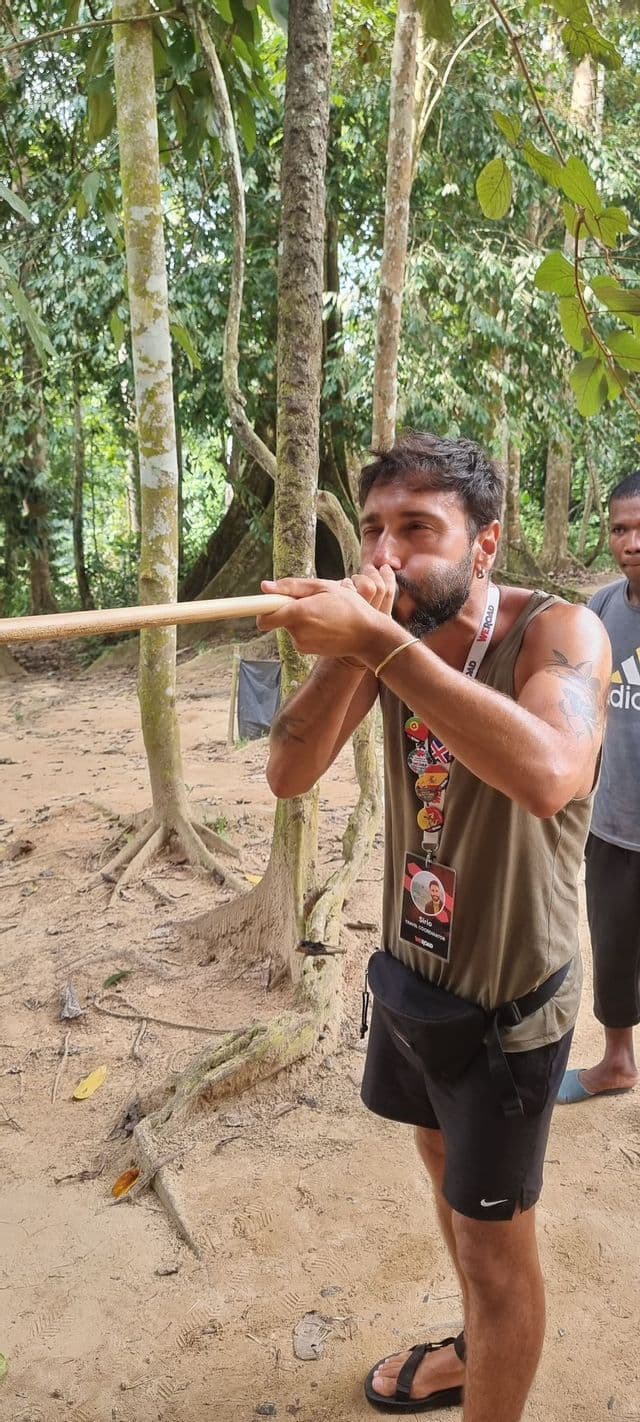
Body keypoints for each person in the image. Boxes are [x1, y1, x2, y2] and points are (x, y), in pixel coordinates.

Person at [257, 433, 610, 1422]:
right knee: (444, 1178)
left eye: (416, 529)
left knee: (499, 1258)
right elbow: (287, 774)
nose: (386, 557)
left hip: (508, 1008)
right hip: (412, 982)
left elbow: (546, 774)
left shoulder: (557, 632)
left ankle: (488, 1349)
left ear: (484, 545)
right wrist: (352, 650)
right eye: (373, 531)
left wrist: (376, 643)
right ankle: (471, 1345)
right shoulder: (391, 636)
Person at [558, 469, 640, 1104]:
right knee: (613, 945)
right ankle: (618, 1062)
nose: (631, 541)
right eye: (620, 529)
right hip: (611, 820)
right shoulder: (601, 611)